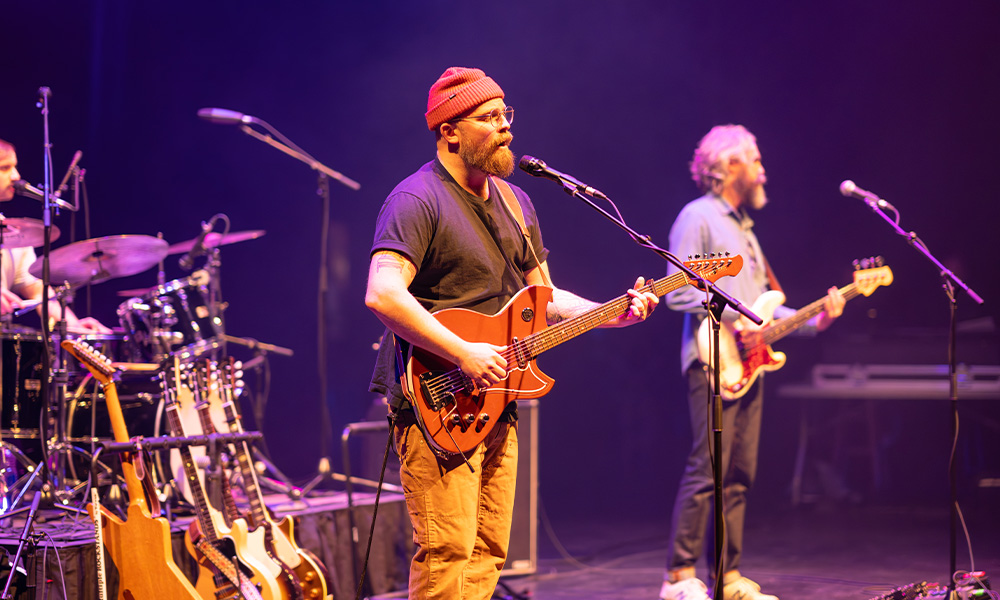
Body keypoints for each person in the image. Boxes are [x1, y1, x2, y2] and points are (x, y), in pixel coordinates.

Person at [365, 66, 658, 599]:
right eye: (490, 117)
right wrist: (462, 352)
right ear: (449, 130)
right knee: (447, 550)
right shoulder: (416, 200)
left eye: (507, 115)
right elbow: (383, 293)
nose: (506, 128)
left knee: (488, 550)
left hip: (496, 397)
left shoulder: (517, 204)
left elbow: (544, 298)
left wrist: (611, 312)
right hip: (438, 397)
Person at [658, 125, 845, 600]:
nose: (763, 169)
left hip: (751, 363)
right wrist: (730, 321)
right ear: (728, 166)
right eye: (755, 159)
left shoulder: (745, 230)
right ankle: (678, 577)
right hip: (712, 358)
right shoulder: (697, 217)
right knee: (709, 466)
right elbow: (676, 292)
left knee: (740, 472)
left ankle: (728, 576)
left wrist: (814, 320)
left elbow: (764, 308)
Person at [0, 138, 110, 334]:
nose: (16, 176)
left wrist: (74, 326)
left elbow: (36, 291)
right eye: (5, 168)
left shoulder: (11, 232)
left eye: (15, 167)